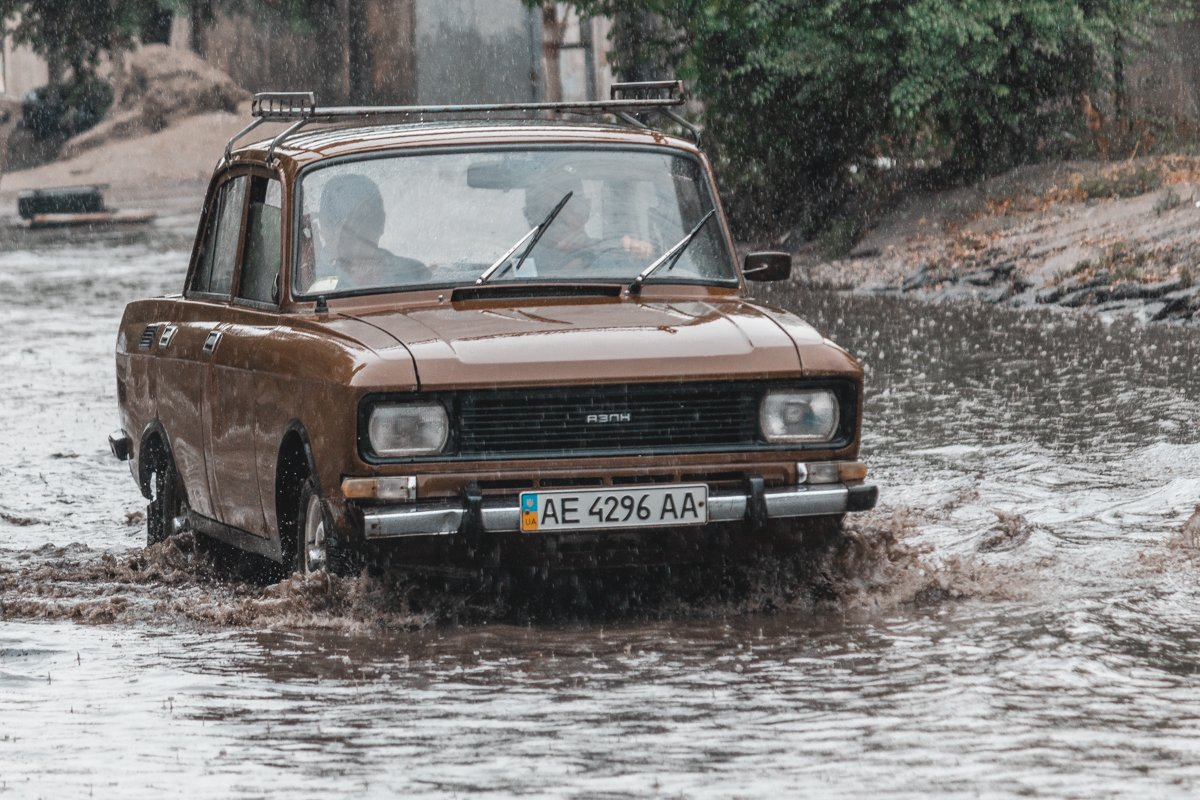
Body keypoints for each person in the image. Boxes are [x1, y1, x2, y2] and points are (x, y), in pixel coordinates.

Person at [521, 171, 653, 276]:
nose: (556, 217)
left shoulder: (618, 256)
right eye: (542, 209)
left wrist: (640, 253)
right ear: (528, 216)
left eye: (567, 206)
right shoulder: (514, 269)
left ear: (586, 208)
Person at [313, 173, 429, 290]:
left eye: (365, 220)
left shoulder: (416, 275)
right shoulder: (312, 282)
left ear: (381, 223)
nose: (356, 234)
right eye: (335, 224)